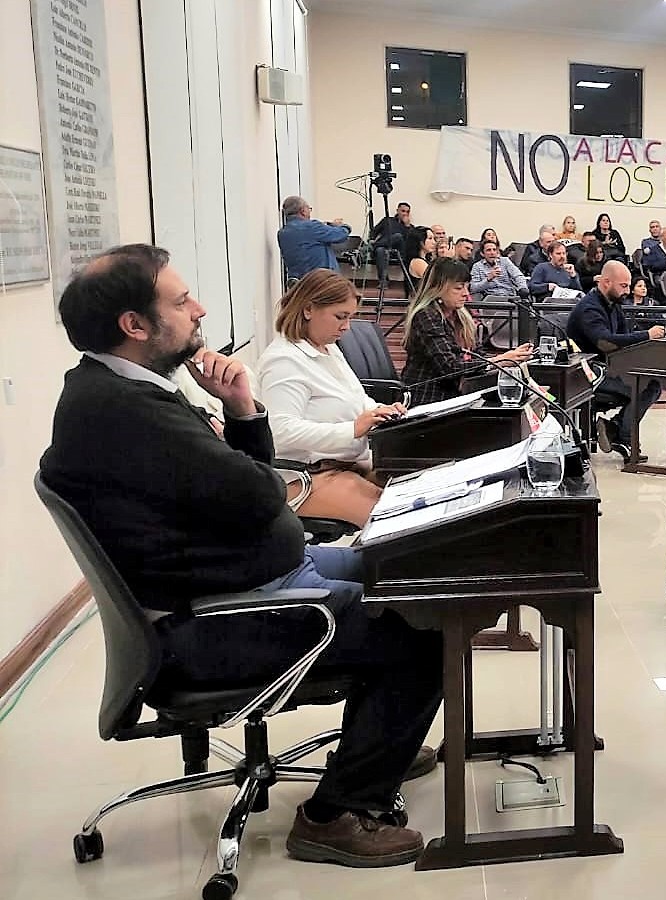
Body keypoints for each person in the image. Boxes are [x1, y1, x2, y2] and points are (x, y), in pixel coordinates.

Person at [42, 243, 443, 867]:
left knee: (406, 571)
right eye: (181, 301)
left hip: (249, 578)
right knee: (422, 622)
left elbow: (247, 487)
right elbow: (261, 494)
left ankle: (380, 738)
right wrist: (245, 412)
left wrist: (237, 420)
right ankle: (336, 813)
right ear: (135, 325)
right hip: (217, 619)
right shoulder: (126, 411)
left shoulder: (117, 390)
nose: (199, 309)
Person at [258, 270, 403, 526]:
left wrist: (381, 410)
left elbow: (357, 398)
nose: (346, 327)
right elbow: (279, 431)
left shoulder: (328, 349)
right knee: (392, 520)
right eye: (340, 317)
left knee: (411, 490)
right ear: (308, 309)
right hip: (305, 476)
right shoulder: (283, 361)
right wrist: (352, 429)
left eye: (349, 318)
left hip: (346, 463)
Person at [570, 260, 666, 463]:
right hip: (586, 375)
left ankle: (615, 428)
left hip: (608, 368)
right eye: (623, 286)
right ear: (606, 282)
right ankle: (622, 436)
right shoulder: (589, 308)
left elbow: (625, 339)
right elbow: (606, 343)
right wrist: (647, 335)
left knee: (652, 382)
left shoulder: (614, 305)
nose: (627, 291)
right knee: (645, 387)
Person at [400, 259, 533, 405]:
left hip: (459, 396)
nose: (466, 293)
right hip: (427, 399)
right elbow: (449, 368)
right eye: (458, 288)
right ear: (438, 289)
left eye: (467, 287)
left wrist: (509, 360)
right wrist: (499, 361)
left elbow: (478, 355)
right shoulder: (426, 315)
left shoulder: (461, 315)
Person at [276, 196, 350, 281]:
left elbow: (306, 240)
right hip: (322, 281)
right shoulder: (313, 227)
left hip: (299, 283)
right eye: (309, 209)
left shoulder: (282, 233)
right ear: (303, 211)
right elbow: (341, 235)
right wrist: (343, 226)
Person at [367, 201, 413, 287]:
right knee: (380, 250)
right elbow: (374, 231)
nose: (405, 214)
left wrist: (407, 226)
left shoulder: (409, 227)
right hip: (384, 249)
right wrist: (372, 239)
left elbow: (411, 241)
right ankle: (383, 281)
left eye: (407, 212)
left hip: (398, 252)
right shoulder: (387, 220)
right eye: (403, 211)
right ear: (397, 211)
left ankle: (374, 246)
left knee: (398, 236)